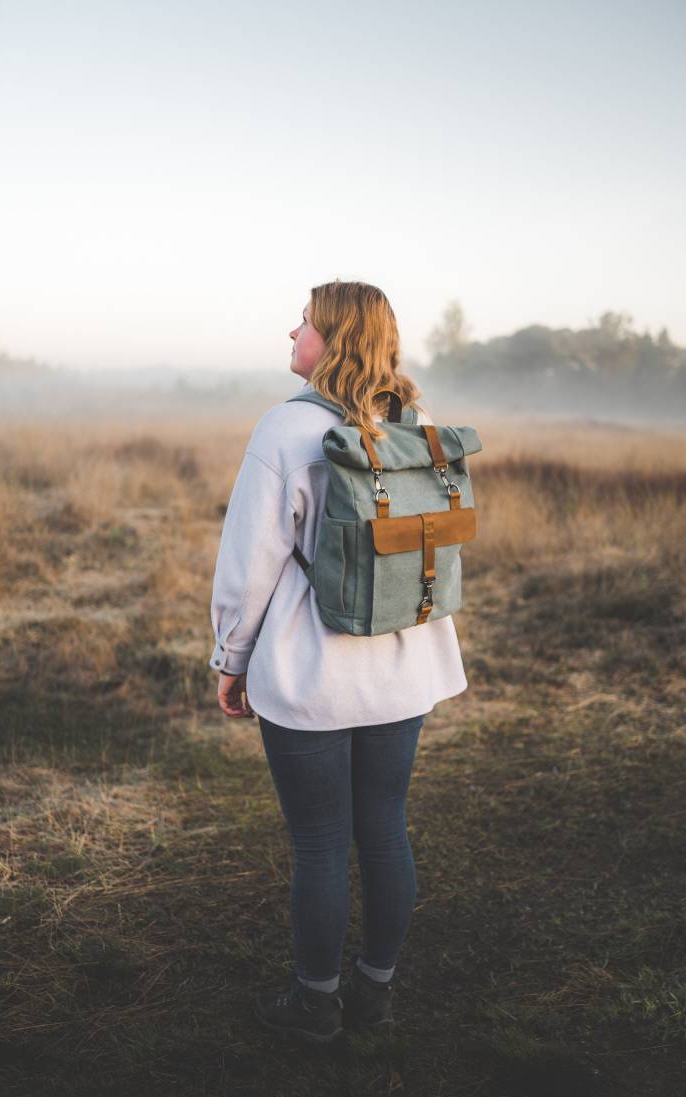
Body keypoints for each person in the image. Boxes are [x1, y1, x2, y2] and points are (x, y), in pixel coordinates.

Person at [208, 280, 468, 1044]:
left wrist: (232, 658)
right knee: (386, 829)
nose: (292, 332)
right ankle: (374, 996)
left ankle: (315, 1007)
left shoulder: (285, 430)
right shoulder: (412, 425)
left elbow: (249, 564)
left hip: (309, 672)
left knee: (321, 843)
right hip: (402, 670)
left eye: (306, 323)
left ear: (336, 339)